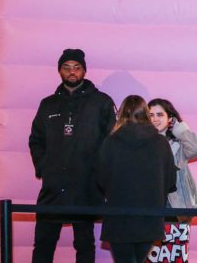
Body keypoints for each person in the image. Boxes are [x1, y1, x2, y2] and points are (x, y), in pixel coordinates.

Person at [28, 48, 116, 263]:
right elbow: (36, 140)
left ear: (84, 71)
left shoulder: (101, 102)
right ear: (60, 71)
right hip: (52, 188)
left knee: (84, 244)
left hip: (85, 187)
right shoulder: (47, 104)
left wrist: (98, 174)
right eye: (66, 67)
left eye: (77, 67)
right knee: (43, 244)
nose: (72, 71)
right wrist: (44, 167)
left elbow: (111, 142)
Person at [96, 95, 177, 263]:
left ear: (121, 114)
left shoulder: (110, 142)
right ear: (146, 114)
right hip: (150, 217)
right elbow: (170, 182)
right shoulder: (161, 143)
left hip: (118, 216)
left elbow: (100, 179)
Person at [149, 98, 197, 210]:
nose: (155, 119)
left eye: (160, 115)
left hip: (176, 202)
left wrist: (181, 130)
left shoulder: (179, 143)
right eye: (151, 115)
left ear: (170, 118)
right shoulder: (142, 142)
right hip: (150, 200)